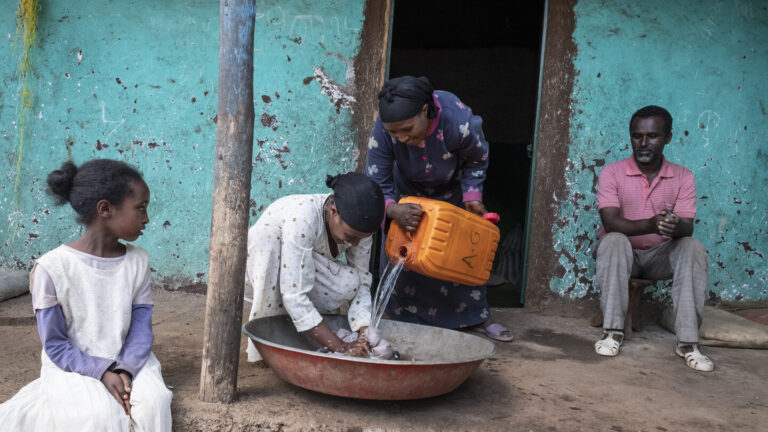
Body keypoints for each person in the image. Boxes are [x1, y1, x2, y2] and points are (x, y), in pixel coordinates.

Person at [0, 159, 172, 430]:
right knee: (99, 415)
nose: (147, 218)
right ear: (105, 209)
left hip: (129, 359)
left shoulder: (138, 261)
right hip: (72, 365)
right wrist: (101, 372)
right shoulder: (52, 268)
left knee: (155, 404)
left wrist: (125, 369)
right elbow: (55, 345)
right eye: (140, 208)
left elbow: (141, 330)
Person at [365, 75, 513, 342]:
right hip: (404, 197)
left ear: (425, 110)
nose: (400, 138)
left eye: (407, 129)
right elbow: (377, 178)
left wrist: (472, 196)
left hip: (452, 194)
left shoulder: (458, 121)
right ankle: (404, 321)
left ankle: (475, 318)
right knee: (405, 255)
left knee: (463, 254)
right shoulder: (384, 129)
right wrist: (392, 209)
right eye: (393, 133)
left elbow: (477, 161)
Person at [593, 105, 713, 372]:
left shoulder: (683, 176)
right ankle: (612, 332)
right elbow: (610, 222)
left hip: (659, 256)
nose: (643, 143)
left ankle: (688, 344)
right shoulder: (612, 173)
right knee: (613, 239)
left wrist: (672, 225)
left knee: (693, 247)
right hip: (623, 255)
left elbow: (687, 228)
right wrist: (651, 223)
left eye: (652, 136)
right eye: (637, 136)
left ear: (667, 138)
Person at [245, 172, 390, 361]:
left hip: (300, 273)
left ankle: (311, 328)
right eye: (350, 236)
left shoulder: (360, 229)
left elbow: (362, 280)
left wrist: (365, 332)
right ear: (333, 212)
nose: (355, 244)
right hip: (262, 270)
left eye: (360, 238)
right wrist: (339, 346)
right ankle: (267, 344)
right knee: (268, 239)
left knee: (351, 281)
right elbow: (294, 294)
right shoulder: (304, 217)